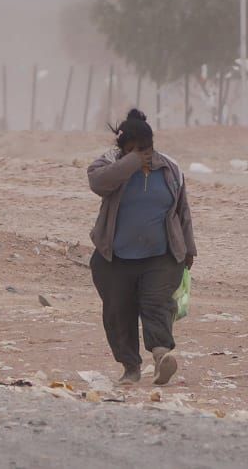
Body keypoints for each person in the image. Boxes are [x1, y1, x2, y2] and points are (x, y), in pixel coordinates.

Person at [87, 109, 196, 385]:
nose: (143, 155)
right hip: (115, 258)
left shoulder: (169, 168)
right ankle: (130, 368)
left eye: (146, 149)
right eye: (135, 150)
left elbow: (182, 210)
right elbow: (98, 183)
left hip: (161, 257)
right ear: (123, 148)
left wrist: (189, 248)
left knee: (157, 305)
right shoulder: (109, 164)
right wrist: (131, 163)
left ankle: (161, 358)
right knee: (118, 313)